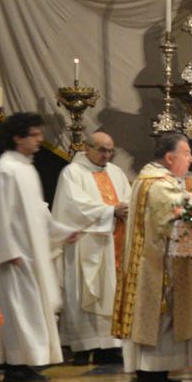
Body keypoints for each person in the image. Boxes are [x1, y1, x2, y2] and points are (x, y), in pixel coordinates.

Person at [112, 131, 192, 382]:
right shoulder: (158, 185)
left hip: (156, 261)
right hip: (156, 267)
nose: (191, 159)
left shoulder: (155, 178)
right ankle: (150, 378)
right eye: (186, 153)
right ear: (169, 158)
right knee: (159, 320)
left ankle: (159, 376)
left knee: (162, 322)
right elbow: (175, 220)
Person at [0, 113, 76, 382]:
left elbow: (36, 213)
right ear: (17, 137)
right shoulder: (5, 170)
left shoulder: (25, 168)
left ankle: (26, 362)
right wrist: (7, 251)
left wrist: (61, 231)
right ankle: (15, 365)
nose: (40, 140)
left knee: (32, 310)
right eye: (34, 135)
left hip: (30, 254)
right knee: (18, 312)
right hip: (14, 257)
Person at [51, 131, 131, 365]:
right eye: (102, 150)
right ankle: (84, 345)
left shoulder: (115, 172)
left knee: (113, 291)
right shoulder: (72, 173)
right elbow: (74, 207)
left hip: (114, 238)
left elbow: (127, 197)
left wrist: (124, 209)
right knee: (86, 292)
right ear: (87, 148)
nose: (107, 155)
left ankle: (111, 344)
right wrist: (110, 211)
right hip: (87, 244)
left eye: (110, 151)